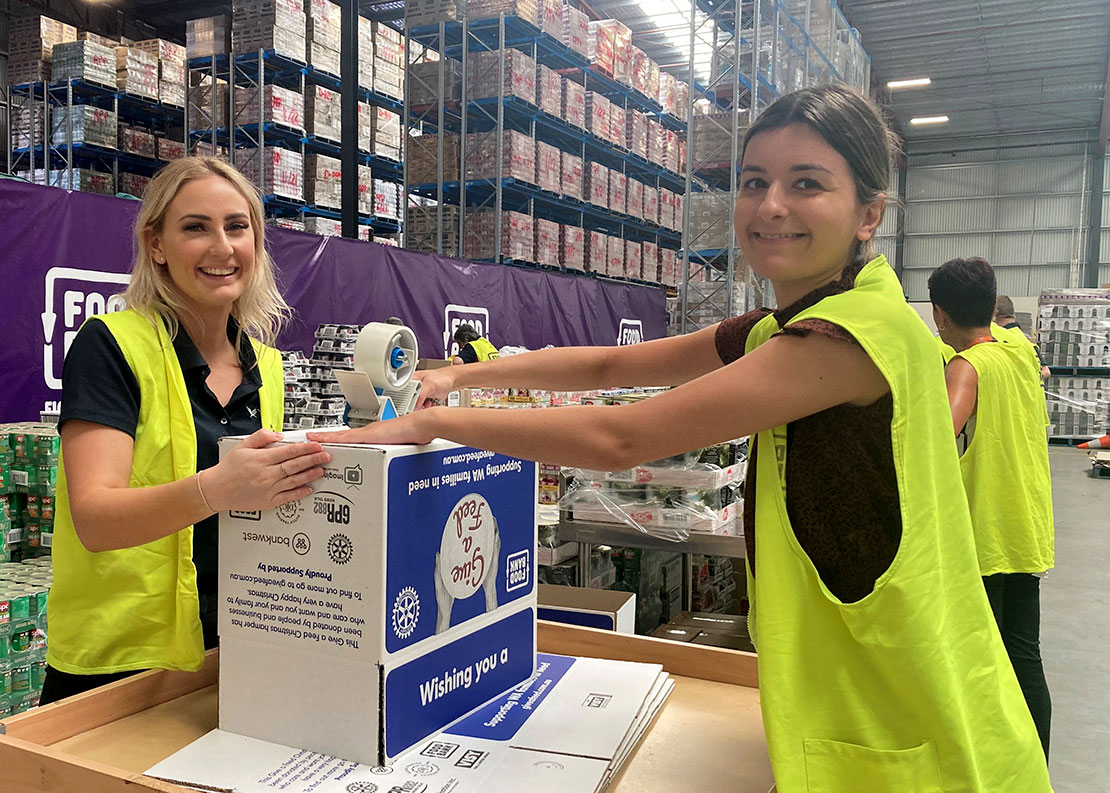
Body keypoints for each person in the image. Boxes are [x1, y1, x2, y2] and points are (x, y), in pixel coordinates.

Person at [311, 86, 1051, 790]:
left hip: (911, 724)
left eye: (807, 183)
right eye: (755, 180)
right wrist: (459, 374)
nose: (771, 206)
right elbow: (614, 364)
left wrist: (433, 422)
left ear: (868, 212)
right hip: (882, 692)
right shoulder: (803, 321)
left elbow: (619, 436)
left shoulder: (845, 339)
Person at [42, 157, 330, 704]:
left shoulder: (266, 365)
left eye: (237, 227)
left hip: (234, 651)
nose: (222, 247)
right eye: (195, 227)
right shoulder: (112, 345)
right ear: (156, 245)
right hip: (119, 663)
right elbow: (95, 521)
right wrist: (218, 487)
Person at [930, 258, 1054, 757]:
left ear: (938, 314)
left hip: (984, 532)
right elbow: (976, 342)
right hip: (1026, 526)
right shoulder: (1018, 352)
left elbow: (935, 438)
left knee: (983, 660)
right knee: (1024, 653)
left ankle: (994, 762)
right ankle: (1033, 766)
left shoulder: (967, 368)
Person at [994, 294, 1051, 379]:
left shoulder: (995, 341)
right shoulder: (1029, 343)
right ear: (1013, 314)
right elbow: (1046, 371)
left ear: (993, 316)